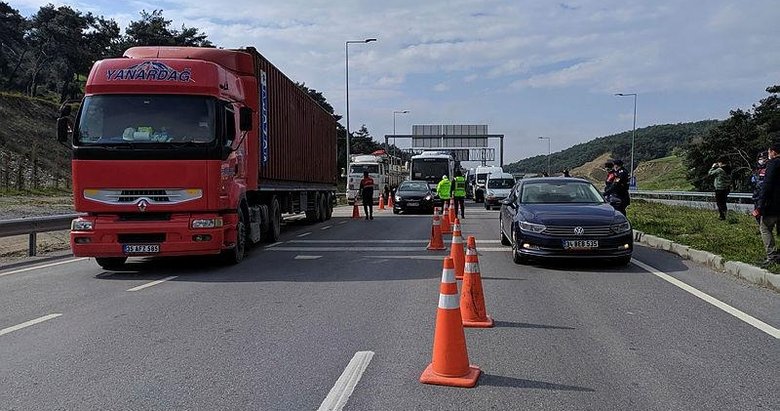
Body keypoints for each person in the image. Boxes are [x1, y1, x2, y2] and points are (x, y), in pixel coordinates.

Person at [755, 140, 780, 266]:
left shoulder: (772, 163)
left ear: (773, 152)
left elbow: (767, 185)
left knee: (765, 228)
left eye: (769, 151)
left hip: (772, 204)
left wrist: (760, 205)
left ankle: (772, 257)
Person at [751, 151, 768, 224]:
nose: (761, 160)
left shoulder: (769, 168)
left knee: (765, 214)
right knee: (757, 213)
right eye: (760, 158)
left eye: (763, 158)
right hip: (756, 195)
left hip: (765, 195)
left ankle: (764, 228)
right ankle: (760, 227)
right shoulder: (756, 170)